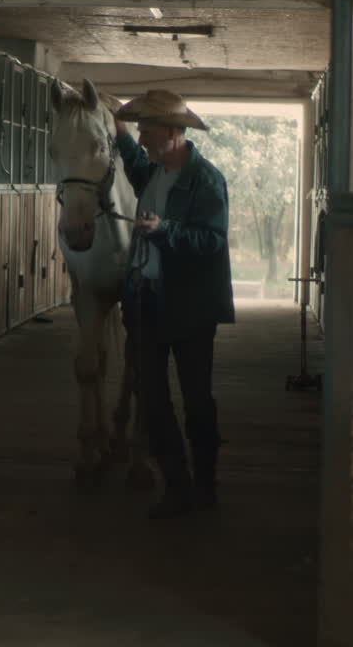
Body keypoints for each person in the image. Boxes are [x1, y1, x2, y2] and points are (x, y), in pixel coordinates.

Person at [113, 89, 235, 519]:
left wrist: (165, 230)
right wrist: (119, 129)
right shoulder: (155, 172)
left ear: (171, 132)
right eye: (140, 129)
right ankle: (177, 486)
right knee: (152, 397)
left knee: (196, 398)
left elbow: (212, 240)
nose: (142, 136)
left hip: (190, 307)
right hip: (145, 302)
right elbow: (133, 160)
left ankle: (205, 487)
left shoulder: (206, 180)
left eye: (146, 129)